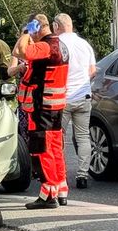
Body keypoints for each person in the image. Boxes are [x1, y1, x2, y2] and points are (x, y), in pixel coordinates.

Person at [12, 15, 69, 209]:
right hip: (55, 106)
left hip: (42, 107)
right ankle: (61, 189)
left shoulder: (46, 46)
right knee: (55, 148)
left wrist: (26, 32)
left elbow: (18, 51)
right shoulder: (60, 45)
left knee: (42, 150)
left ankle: (48, 194)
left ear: (37, 28)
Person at [52, 13, 96, 191]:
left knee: (58, 137)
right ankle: (82, 174)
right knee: (83, 136)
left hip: (62, 98)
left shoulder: (57, 44)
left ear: (56, 26)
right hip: (83, 97)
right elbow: (92, 70)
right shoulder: (84, 45)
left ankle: (60, 176)